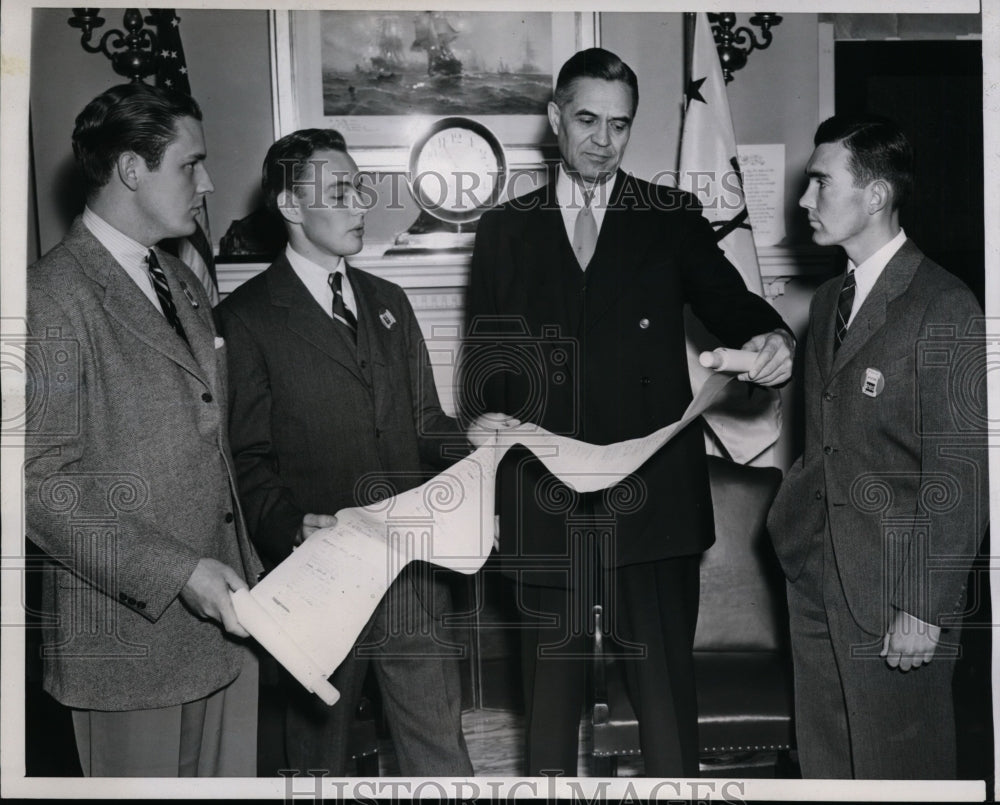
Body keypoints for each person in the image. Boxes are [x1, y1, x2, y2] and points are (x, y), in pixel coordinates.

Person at [461, 48, 794, 776]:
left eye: (619, 125)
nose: (603, 141)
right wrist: (484, 447)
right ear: (555, 119)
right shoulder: (504, 231)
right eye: (587, 120)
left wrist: (771, 337)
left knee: (667, 711)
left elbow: (734, 306)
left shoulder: (670, 218)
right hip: (544, 504)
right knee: (548, 723)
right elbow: (484, 376)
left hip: (653, 505)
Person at [217, 128, 492, 777]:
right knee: (320, 763)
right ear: (290, 204)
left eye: (360, 188)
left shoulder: (389, 302)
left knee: (440, 751)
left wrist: (483, 443)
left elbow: (426, 422)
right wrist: (289, 526)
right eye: (340, 191)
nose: (360, 204)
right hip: (317, 578)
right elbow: (245, 458)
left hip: (407, 571)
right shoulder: (246, 318)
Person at [24, 83, 261, 777]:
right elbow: (38, 487)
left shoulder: (181, 281)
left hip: (227, 632)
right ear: (131, 169)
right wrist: (179, 572)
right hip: (128, 649)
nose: (209, 182)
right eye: (191, 164)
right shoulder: (49, 298)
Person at [767, 114, 988, 778]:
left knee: (901, 775)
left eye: (819, 183)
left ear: (876, 194)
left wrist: (923, 605)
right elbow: (820, 445)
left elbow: (963, 472)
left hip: (896, 598)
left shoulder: (945, 306)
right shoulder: (830, 299)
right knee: (827, 771)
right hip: (816, 577)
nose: (804, 200)